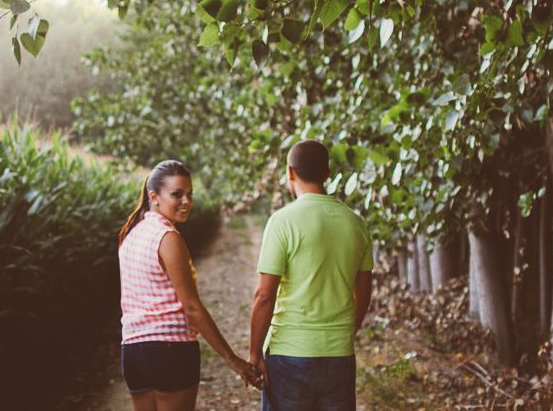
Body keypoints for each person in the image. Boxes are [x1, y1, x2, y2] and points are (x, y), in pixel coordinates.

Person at [118, 160, 260, 411]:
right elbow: (192, 307)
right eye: (177, 194)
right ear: (154, 197)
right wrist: (232, 359)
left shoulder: (130, 235)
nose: (186, 201)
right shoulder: (167, 237)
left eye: (189, 194)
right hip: (169, 351)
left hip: (132, 351)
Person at [249, 140, 374, 411]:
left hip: (289, 354)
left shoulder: (282, 222)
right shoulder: (356, 223)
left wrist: (254, 353)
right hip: (339, 353)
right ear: (327, 174)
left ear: (290, 172)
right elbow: (364, 293)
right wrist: (345, 332)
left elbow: (264, 295)